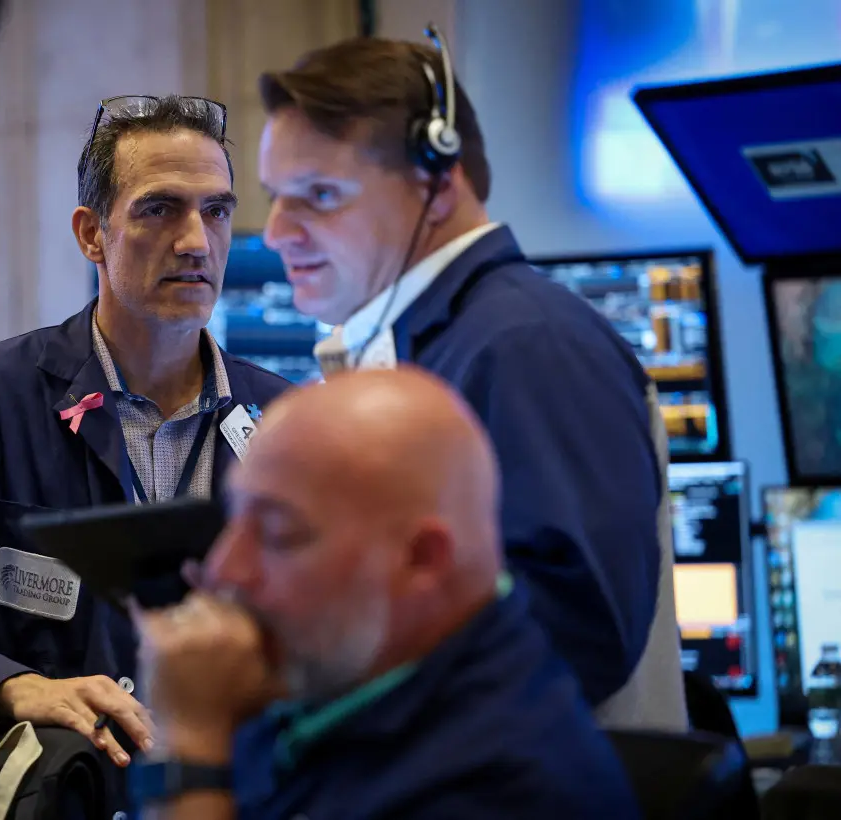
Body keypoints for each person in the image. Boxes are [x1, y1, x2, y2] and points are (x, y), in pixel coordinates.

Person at [255, 30, 686, 729]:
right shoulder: (445, 344)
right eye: (277, 195)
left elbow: (576, 631)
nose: (277, 230)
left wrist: (318, 660)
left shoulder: (523, 345)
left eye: (320, 195)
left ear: (438, 179)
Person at [0, 95, 289, 786]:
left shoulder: (286, 423)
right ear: (92, 234)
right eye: (159, 209)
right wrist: (12, 687)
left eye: (216, 210)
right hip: (61, 788)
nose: (196, 242)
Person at [128, 368, 641, 819]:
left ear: (423, 559)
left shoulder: (503, 788)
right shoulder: (338, 670)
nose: (222, 569)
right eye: (234, 518)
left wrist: (191, 745)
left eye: (280, 534)